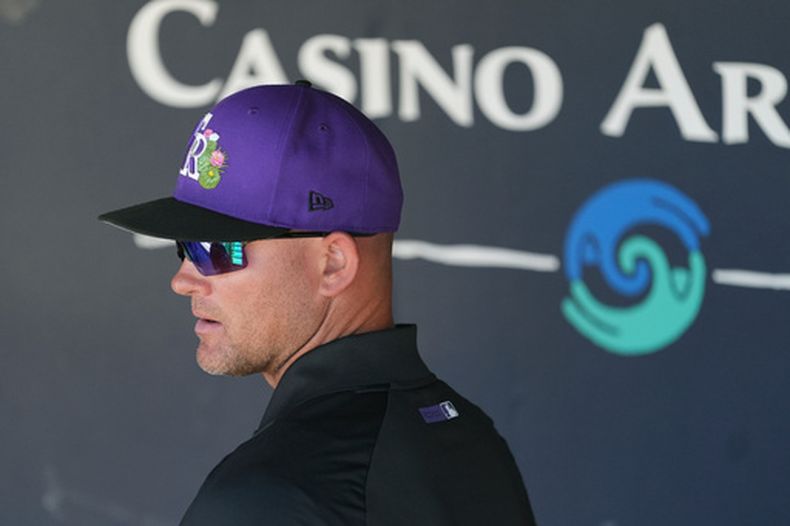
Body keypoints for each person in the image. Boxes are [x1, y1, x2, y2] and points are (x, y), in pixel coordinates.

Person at [99, 81, 537, 525]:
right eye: (183, 246)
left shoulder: (266, 496)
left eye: (214, 249)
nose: (182, 281)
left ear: (333, 264)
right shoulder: (474, 439)